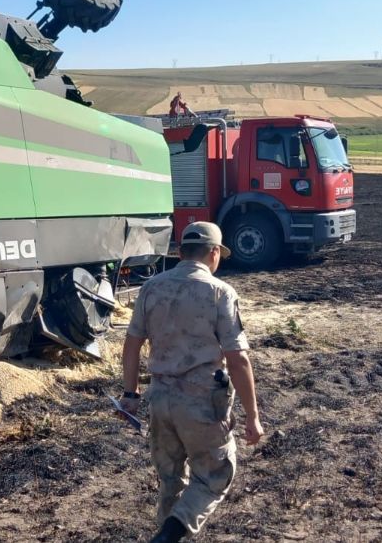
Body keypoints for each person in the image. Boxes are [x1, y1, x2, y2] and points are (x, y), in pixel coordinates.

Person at [119, 222, 264, 543]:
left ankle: (166, 535)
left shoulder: (151, 288)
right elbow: (237, 358)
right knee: (214, 476)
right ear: (214, 253)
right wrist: (252, 416)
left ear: (181, 251)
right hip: (201, 403)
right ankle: (169, 535)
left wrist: (130, 393)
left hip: (160, 399)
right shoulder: (219, 292)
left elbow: (131, 345)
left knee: (171, 480)